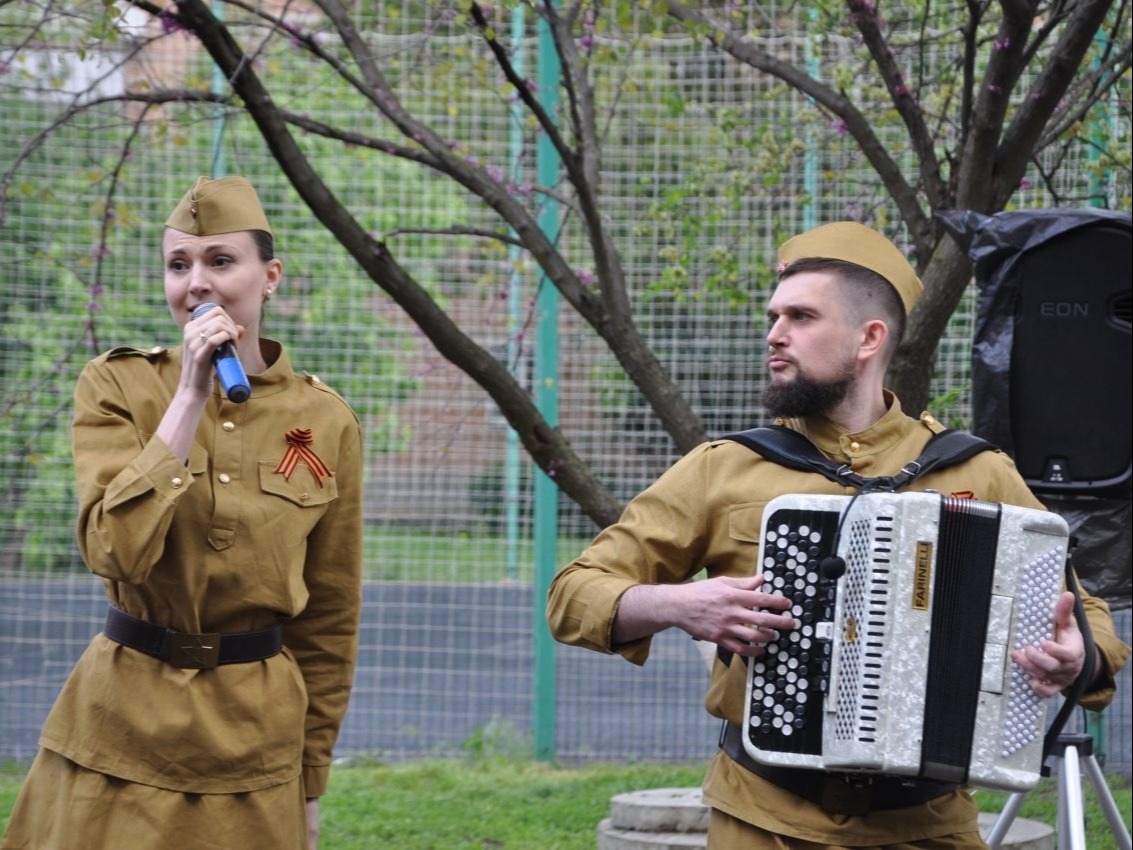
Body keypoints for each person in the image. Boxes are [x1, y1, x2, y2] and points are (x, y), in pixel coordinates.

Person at [546, 221, 1130, 849]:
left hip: (930, 829)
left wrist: (1078, 658)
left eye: (801, 316)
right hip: (764, 822)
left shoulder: (976, 471)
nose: (775, 334)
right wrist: (678, 605)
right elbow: (573, 594)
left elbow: (1084, 611)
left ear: (868, 338)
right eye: (774, 316)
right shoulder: (723, 466)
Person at [1, 176, 364, 850]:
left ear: (270, 276)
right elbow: (114, 550)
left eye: (220, 262)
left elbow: (330, 620)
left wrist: (310, 782)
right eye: (179, 265)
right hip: (120, 732)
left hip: (254, 743)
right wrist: (190, 395)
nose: (196, 282)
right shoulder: (117, 385)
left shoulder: (326, 420)